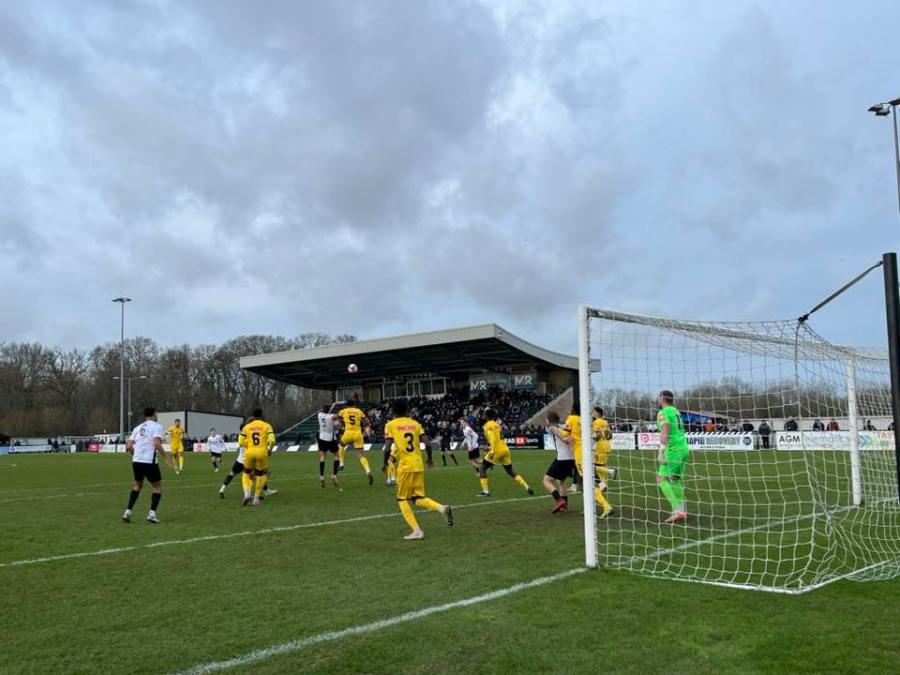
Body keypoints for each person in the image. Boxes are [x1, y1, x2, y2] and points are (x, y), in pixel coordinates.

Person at [382, 398, 453, 540]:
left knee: (401, 498)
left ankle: (417, 531)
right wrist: (430, 459)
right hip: (418, 465)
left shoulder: (390, 425)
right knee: (417, 498)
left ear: (393, 411)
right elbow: (427, 444)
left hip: (405, 466)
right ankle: (441, 508)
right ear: (407, 410)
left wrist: (384, 464)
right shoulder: (415, 424)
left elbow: (388, 448)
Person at [122, 407, 170, 524]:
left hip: (136, 461)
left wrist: (135, 455)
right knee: (157, 486)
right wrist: (165, 457)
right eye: (156, 413)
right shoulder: (157, 426)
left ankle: (127, 512)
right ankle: (152, 514)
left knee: (137, 485)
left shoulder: (137, 428)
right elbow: (156, 443)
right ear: (153, 414)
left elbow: (128, 446)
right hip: (149, 461)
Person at [476, 409, 533, 497]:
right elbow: (499, 438)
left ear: (487, 416)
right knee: (510, 471)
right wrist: (489, 448)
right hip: (504, 449)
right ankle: (527, 486)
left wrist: (492, 450)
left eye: (484, 414)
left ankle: (486, 492)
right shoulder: (497, 425)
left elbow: (493, 439)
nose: (483, 416)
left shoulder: (487, 425)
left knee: (482, 469)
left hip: (496, 450)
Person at [656, 390, 689, 524]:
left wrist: (661, 450)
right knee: (675, 480)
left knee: (661, 479)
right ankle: (682, 511)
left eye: (658, 398)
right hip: (683, 448)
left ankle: (677, 511)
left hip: (672, 450)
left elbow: (665, 430)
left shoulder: (663, 412)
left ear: (662, 399)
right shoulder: (676, 411)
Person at [239, 408, 275, 507]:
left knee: (246, 473)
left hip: (250, 452)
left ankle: (247, 494)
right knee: (260, 474)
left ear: (253, 416)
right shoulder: (267, 426)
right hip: (262, 452)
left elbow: (240, 442)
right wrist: (270, 450)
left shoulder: (247, 427)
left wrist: (248, 445)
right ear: (261, 415)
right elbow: (272, 441)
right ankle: (256, 499)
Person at [543, 411, 575, 514]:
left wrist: (565, 439)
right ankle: (564, 506)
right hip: (572, 458)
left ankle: (559, 500)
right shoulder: (565, 426)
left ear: (549, 420)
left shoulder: (552, 427)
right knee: (560, 481)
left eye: (546, 419)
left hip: (563, 458)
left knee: (546, 480)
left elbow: (563, 438)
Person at [338, 402, 374, 484]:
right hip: (357, 434)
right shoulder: (358, 411)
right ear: (354, 405)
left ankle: (341, 464)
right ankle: (368, 471)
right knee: (361, 455)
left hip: (348, 433)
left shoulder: (344, 411)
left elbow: (338, 417)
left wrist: (343, 422)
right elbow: (367, 421)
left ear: (346, 405)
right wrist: (366, 425)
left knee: (341, 444)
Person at [590, 406, 614, 518]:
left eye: (593, 412)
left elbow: (598, 434)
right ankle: (603, 484)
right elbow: (610, 436)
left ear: (597, 413)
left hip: (599, 448)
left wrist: (591, 439)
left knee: (593, 467)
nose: (592, 414)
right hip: (607, 446)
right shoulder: (605, 422)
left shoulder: (597, 422)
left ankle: (610, 472)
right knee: (600, 470)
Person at [316, 403, 341, 489]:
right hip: (331, 438)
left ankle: (321, 476)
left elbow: (325, 414)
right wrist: (337, 419)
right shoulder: (332, 417)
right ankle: (334, 475)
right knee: (337, 456)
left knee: (322, 457)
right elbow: (338, 427)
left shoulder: (319, 415)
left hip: (321, 437)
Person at [563, 406, 583, 493]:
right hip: (584, 446)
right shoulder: (581, 419)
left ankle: (600, 484)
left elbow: (565, 433)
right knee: (577, 467)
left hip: (576, 447)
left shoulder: (571, 418)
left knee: (580, 470)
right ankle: (574, 485)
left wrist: (559, 432)